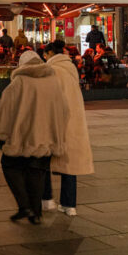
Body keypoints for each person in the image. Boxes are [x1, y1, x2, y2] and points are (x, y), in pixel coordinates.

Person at [0, 50, 67, 224]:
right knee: (37, 173)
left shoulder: (19, 82)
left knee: (10, 166)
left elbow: (5, 110)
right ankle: (36, 212)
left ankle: (24, 205)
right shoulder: (53, 81)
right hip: (46, 138)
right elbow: (64, 110)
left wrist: (1, 132)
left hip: (22, 138)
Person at [41, 40, 94, 216]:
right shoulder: (71, 69)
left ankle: (47, 199)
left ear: (49, 54)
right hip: (73, 122)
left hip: (53, 120)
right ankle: (69, 205)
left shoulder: (50, 70)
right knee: (70, 164)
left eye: (45, 54)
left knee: (44, 160)